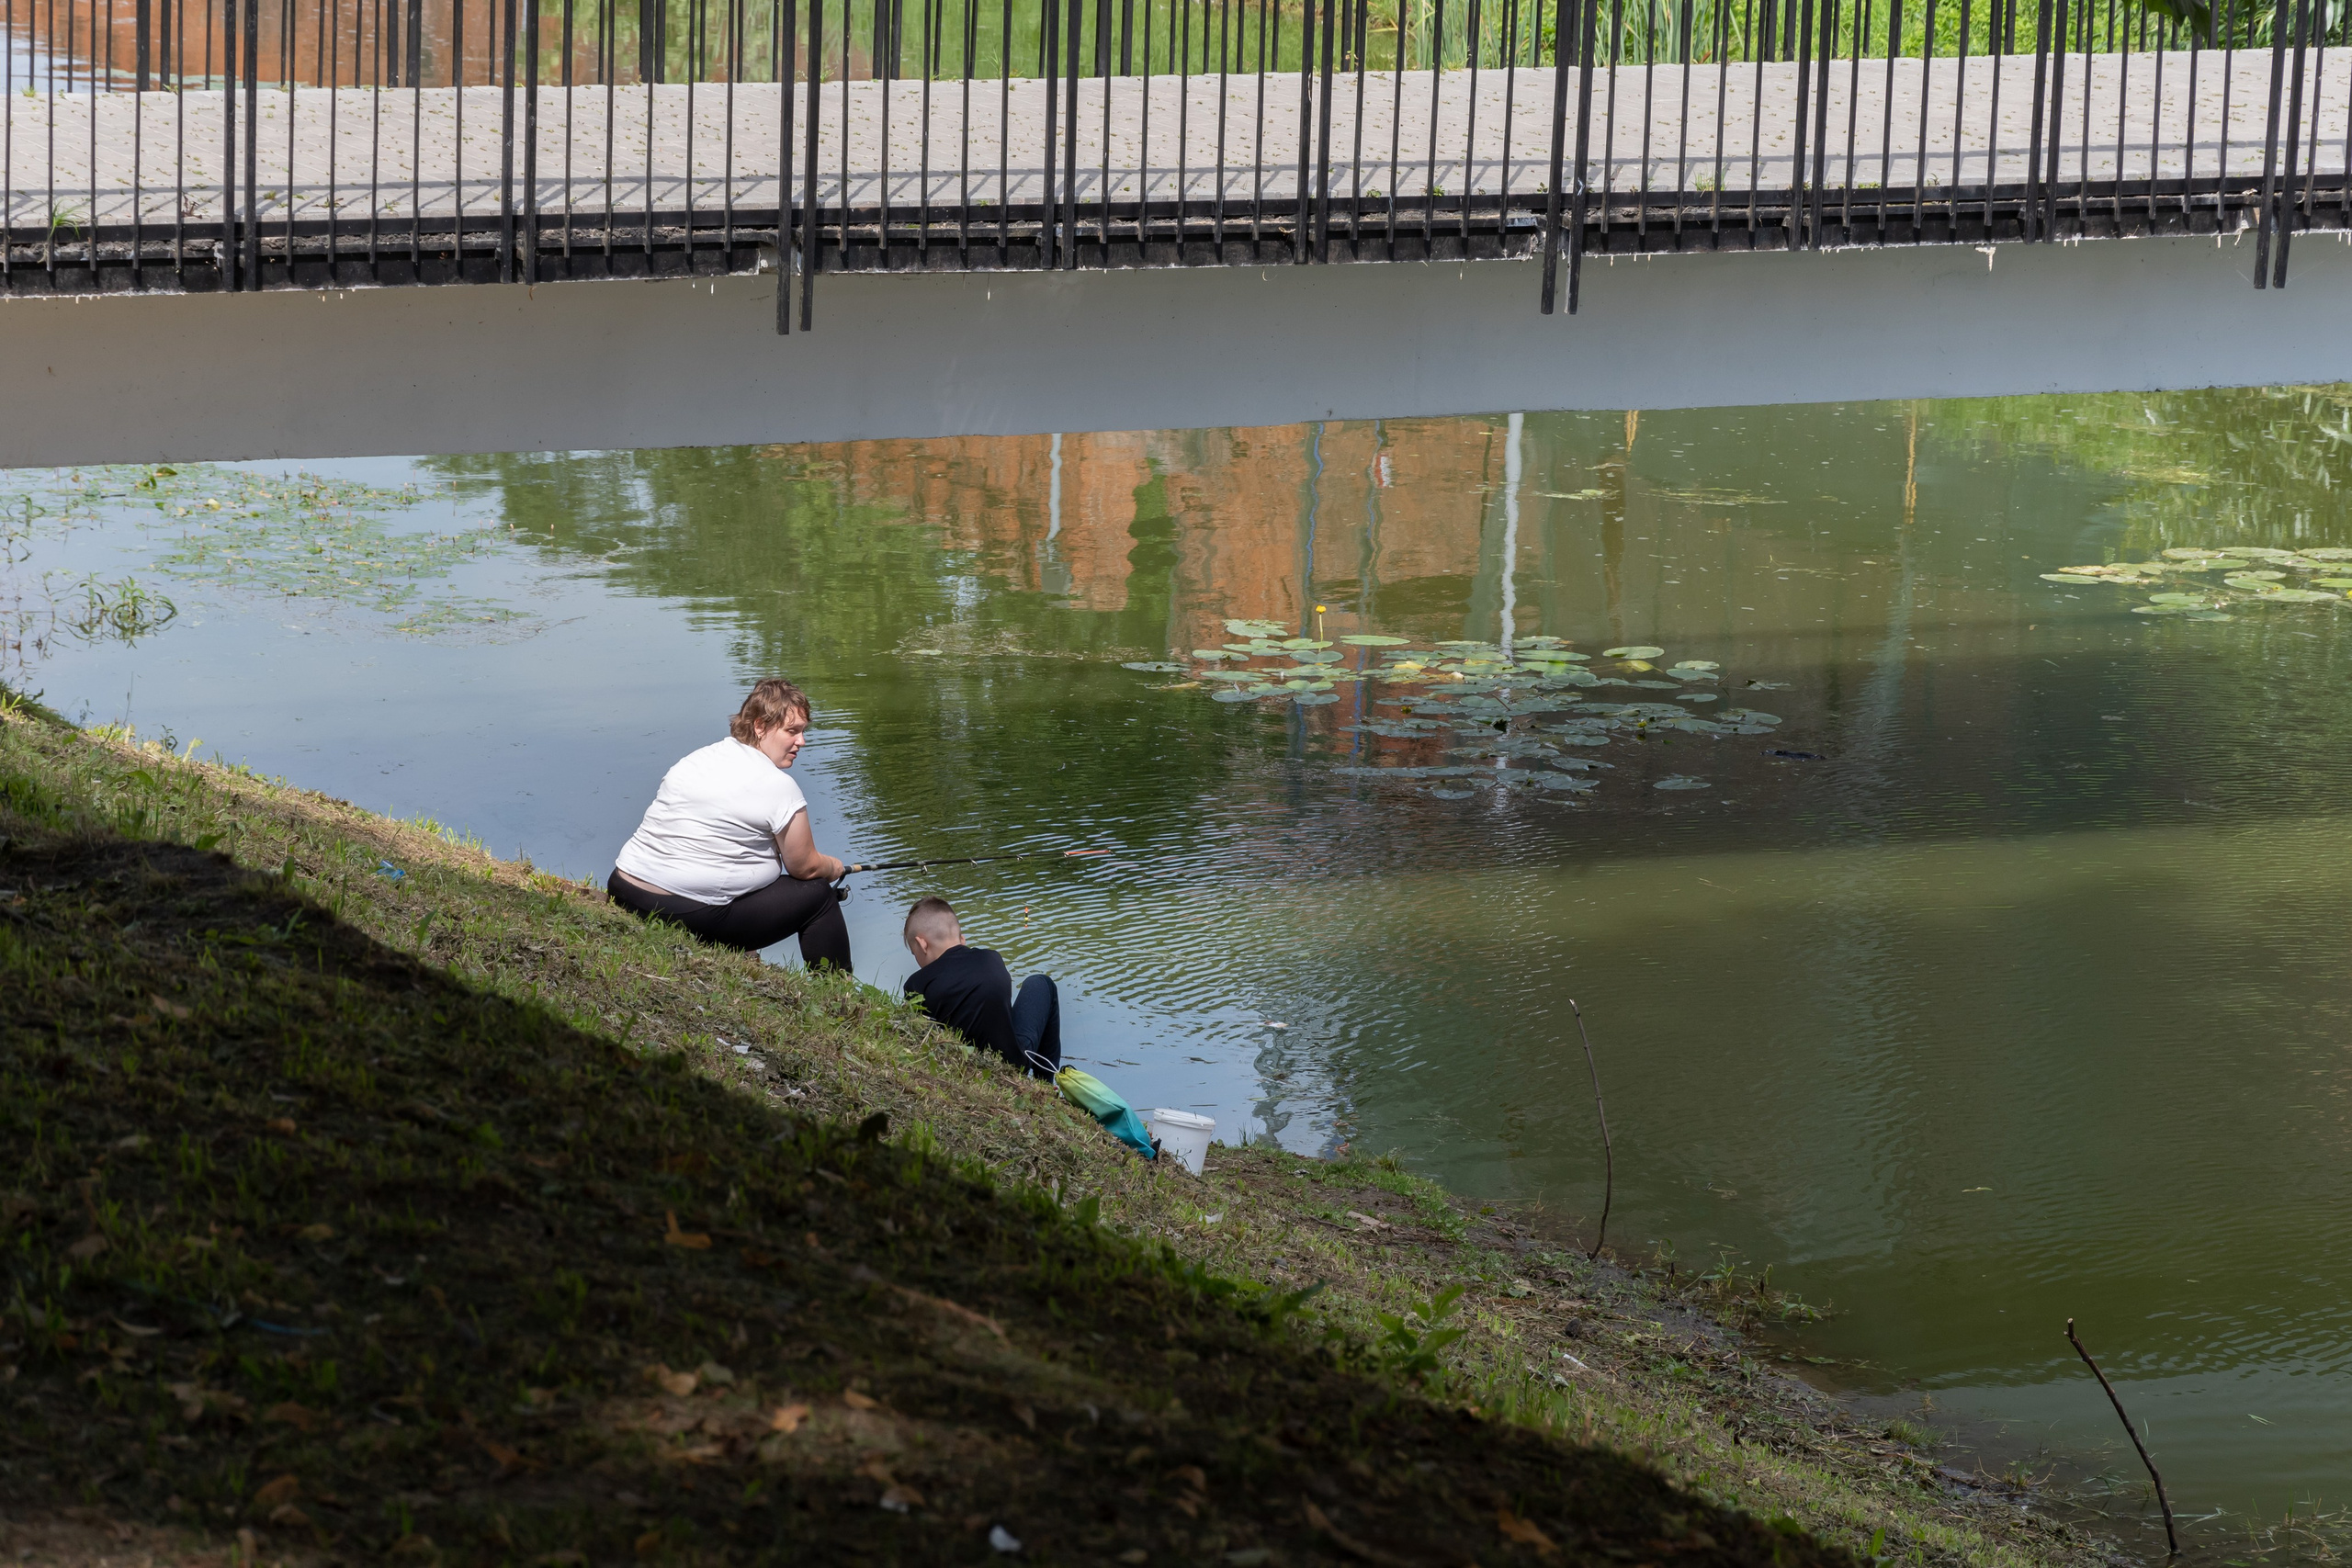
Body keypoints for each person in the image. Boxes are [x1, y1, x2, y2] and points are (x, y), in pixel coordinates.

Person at [606, 679, 851, 968]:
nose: (802, 741)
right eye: (792, 731)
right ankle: (838, 997)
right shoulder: (778, 786)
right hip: (681, 912)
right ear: (760, 726)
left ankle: (745, 955)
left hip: (623, 889)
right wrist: (834, 867)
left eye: (803, 732)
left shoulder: (697, 760)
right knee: (818, 895)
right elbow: (805, 867)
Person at [901, 897, 1059, 1076]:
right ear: (962, 940)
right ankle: (1045, 1082)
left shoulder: (916, 985)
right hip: (1013, 1063)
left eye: (914, 954)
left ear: (922, 944)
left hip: (965, 1063)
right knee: (1040, 982)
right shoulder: (992, 959)